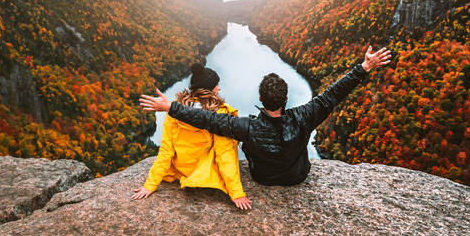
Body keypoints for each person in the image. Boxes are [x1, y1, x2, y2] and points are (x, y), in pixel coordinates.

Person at [140, 45, 392, 186]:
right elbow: (333, 95)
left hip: (261, 178)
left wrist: (170, 108)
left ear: (260, 99)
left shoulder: (245, 127)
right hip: (297, 177)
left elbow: (207, 119)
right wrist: (364, 67)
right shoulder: (305, 116)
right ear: (286, 98)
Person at [132, 63, 252, 210]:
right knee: (227, 143)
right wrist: (236, 192)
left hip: (180, 168)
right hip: (204, 172)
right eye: (216, 85)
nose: (219, 88)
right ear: (208, 90)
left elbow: (166, 150)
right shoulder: (220, 113)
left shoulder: (175, 110)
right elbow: (224, 154)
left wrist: (150, 185)